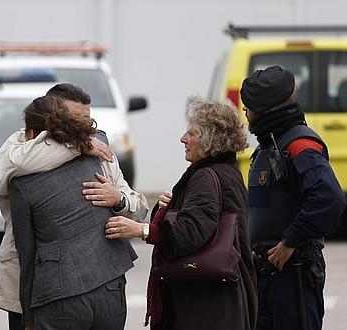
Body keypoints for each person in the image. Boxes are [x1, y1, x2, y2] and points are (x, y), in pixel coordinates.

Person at [0, 83, 149, 329]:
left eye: (87, 119)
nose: (82, 127)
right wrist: (78, 145)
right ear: (55, 115)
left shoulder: (99, 150)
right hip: (28, 281)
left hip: (98, 280)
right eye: (75, 119)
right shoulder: (20, 146)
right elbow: (16, 164)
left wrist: (118, 199)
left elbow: (139, 207)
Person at [107, 98, 258, 329]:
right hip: (223, 298)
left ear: (210, 140)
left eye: (192, 133)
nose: (183, 139)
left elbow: (190, 233)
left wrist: (140, 230)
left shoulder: (206, 177)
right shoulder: (228, 172)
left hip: (207, 304)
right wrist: (174, 206)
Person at [240, 65, 345, 330]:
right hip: (267, 278)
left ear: (265, 111)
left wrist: (291, 240)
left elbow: (329, 198)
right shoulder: (271, 145)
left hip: (293, 278)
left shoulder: (300, 145)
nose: (245, 113)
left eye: (248, 107)